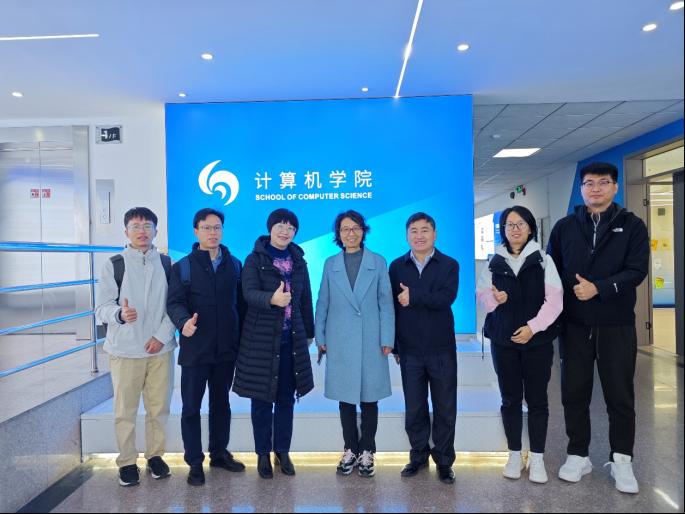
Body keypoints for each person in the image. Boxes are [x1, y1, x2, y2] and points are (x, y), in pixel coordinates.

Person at [547, 162, 649, 494]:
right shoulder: (564, 227)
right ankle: (578, 455)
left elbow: (637, 270)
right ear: (581, 189)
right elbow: (551, 272)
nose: (595, 189)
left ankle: (622, 460)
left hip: (616, 325)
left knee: (620, 395)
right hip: (574, 326)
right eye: (589, 183)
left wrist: (599, 288)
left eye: (603, 183)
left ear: (615, 187)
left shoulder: (632, 226)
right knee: (574, 393)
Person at [477, 206, 563, 484]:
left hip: (537, 341)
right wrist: (495, 299)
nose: (515, 229)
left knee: (537, 400)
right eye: (509, 225)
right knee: (510, 398)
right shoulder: (494, 262)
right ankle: (514, 454)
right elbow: (483, 298)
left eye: (520, 224)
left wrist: (532, 328)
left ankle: (537, 457)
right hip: (503, 342)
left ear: (530, 228)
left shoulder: (543, 261)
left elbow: (555, 302)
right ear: (503, 230)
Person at [95, 207, 177, 487]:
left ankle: (155, 457)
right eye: (135, 226)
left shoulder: (166, 263)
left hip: (160, 350)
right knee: (125, 410)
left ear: (156, 230)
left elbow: (174, 305)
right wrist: (119, 313)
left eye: (147, 226)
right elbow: (101, 308)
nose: (142, 231)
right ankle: (127, 462)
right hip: (125, 350)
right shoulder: (114, 264)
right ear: (126, 231)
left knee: (159, 408)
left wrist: (162, 336)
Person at [233, 208, 315, 479]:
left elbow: (304, 299)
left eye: (290, 228)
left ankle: (282, 451)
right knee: (261, 401)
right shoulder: (254, 259)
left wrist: (309, 332)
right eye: (280, 225)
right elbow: (248, 293)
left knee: (286, 400)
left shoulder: (299, 261)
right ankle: (262, 454)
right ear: (270, 228)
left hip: (291, 341)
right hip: (261, 341)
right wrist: (272, 299)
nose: (285, 231)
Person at [166, 208, 246, 486]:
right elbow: (174, 302)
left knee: (221, 404)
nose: (213, 233)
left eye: (217, 227)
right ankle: (194, 461)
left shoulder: (235, 265)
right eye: (207, 228)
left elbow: (241, 306)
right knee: (191, 407)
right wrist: (183, 322)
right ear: (196, 231)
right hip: (196, 349)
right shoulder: (183, 267)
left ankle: (219, 453)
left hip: (226, 349)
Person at [315, 210, 395, 478]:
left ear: (363, 230)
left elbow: (386, 303)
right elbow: (323, 302)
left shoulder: (378, 262)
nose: (351, 233)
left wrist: (387, 338)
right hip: (340, 339)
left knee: (370, 398)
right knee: (346, 399)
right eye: (345, 229)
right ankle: (350, 448)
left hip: (371, 339)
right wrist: (321, 336)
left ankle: (368, 450)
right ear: (338, 234)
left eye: (355, 228)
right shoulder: (330, 264)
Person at [388, 212, 460, 485]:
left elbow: (446, 298)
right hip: (409, 350)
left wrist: (414, 296)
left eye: (424, 230)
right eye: (414, 231)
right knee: (415, 407)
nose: (419, 235)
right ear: (407, 235)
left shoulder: (449, 264)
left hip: (441, 349)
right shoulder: (397, 266)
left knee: (445, 407)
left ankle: (444, 461)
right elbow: (393, 308)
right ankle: (418, 456)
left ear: (435, 234)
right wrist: (395, 344)